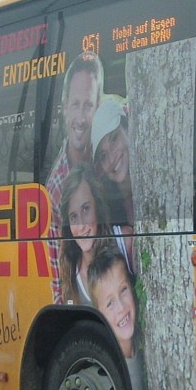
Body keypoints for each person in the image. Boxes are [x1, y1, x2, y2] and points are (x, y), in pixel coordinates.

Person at [45, 51, 104, 303]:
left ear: (98, 107)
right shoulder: (56, 189)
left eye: (88, 105)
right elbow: (60, 282)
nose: (81, 118)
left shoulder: (111, 146)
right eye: (75, 105)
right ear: (64, 108)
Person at [86, 240, 153, 390]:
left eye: (123, 290)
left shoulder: (146, 343)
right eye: (109, 303)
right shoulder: (108, 374)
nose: (122, 308)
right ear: (99, 314)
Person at [57, 162, 135, 305]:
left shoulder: (125, 241)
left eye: (86, 209)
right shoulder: (70, 266)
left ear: (97, 207)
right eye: (74, 217)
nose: (81, 226)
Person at [90, 93, 134, 227]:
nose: (111, 158)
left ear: (127, 129)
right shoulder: (105, 210)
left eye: (114, 139)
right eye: (103, 155)